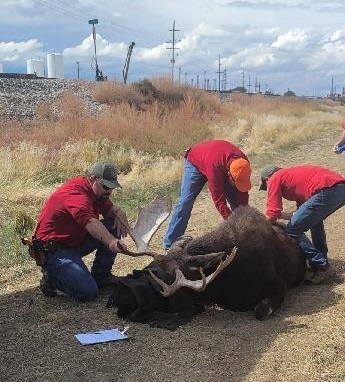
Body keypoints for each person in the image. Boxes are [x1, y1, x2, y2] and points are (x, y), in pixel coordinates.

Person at [33, 161, 130, 301]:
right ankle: (52, 276)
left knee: (112, 224)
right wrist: (111, 241)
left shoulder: (96, 192)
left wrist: (118, 211)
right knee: (88, 293)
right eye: (106, 186)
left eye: (112, 187)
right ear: (92, 179)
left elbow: (108, 210)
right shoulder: (75, 194)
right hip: (54, 249)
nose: (109, 191)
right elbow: (90, 222)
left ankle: (101, 276)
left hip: (74, 242)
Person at [259, 164, 345, 284]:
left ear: (268, 178)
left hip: (327, 191)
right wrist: (280, 215)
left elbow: (272, 213)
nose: (267, 188)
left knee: (292, 230)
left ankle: (323, 267)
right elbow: (299, 214)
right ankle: (320, 263)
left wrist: (259, 227)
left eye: (266, 186)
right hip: (340, 190)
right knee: (315, 224)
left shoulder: (274, 178)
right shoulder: (294, 177)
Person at [163, 139, 252, 250]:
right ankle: (170, 244)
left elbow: (242, 192)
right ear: (229, 175)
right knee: (185, 201)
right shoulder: (215, 167)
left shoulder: (243, 164)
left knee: (239, 207)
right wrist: (231, 223)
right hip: (196, 162)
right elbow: (219, 200)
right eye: (234, 182)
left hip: (218, 162)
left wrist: (243, 214)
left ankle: (244, 239)